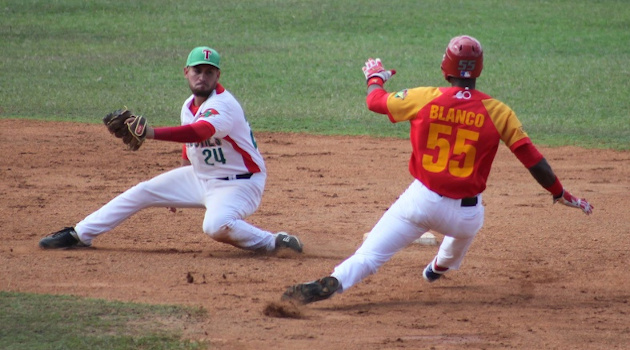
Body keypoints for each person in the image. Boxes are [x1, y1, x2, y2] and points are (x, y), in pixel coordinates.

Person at [281, 35, 592, 304]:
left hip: (420, 202)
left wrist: (375, 77)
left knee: (369, 257)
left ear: (446, 67)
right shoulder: (499, 111)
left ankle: (337, 280)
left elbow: (375, 102)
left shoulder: (423, 98)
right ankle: (438, 268)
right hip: (465, 216)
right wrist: (560, 193)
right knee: (464, 231)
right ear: (478, 69)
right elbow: (535, 162)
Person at [39, 46, 303, 254]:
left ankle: (272, 242)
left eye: (209, 72)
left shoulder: (224, 106)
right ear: (186, 71)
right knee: (143, 191)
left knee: (214, 226)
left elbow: (199, 132)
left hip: (241, 183)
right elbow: (192, 148)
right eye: (197, 70)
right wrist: (178, 188)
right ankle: (79, 234)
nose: (203, 76)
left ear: (217, 76)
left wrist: (151, 133)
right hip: (201, 178)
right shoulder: (188, 105)